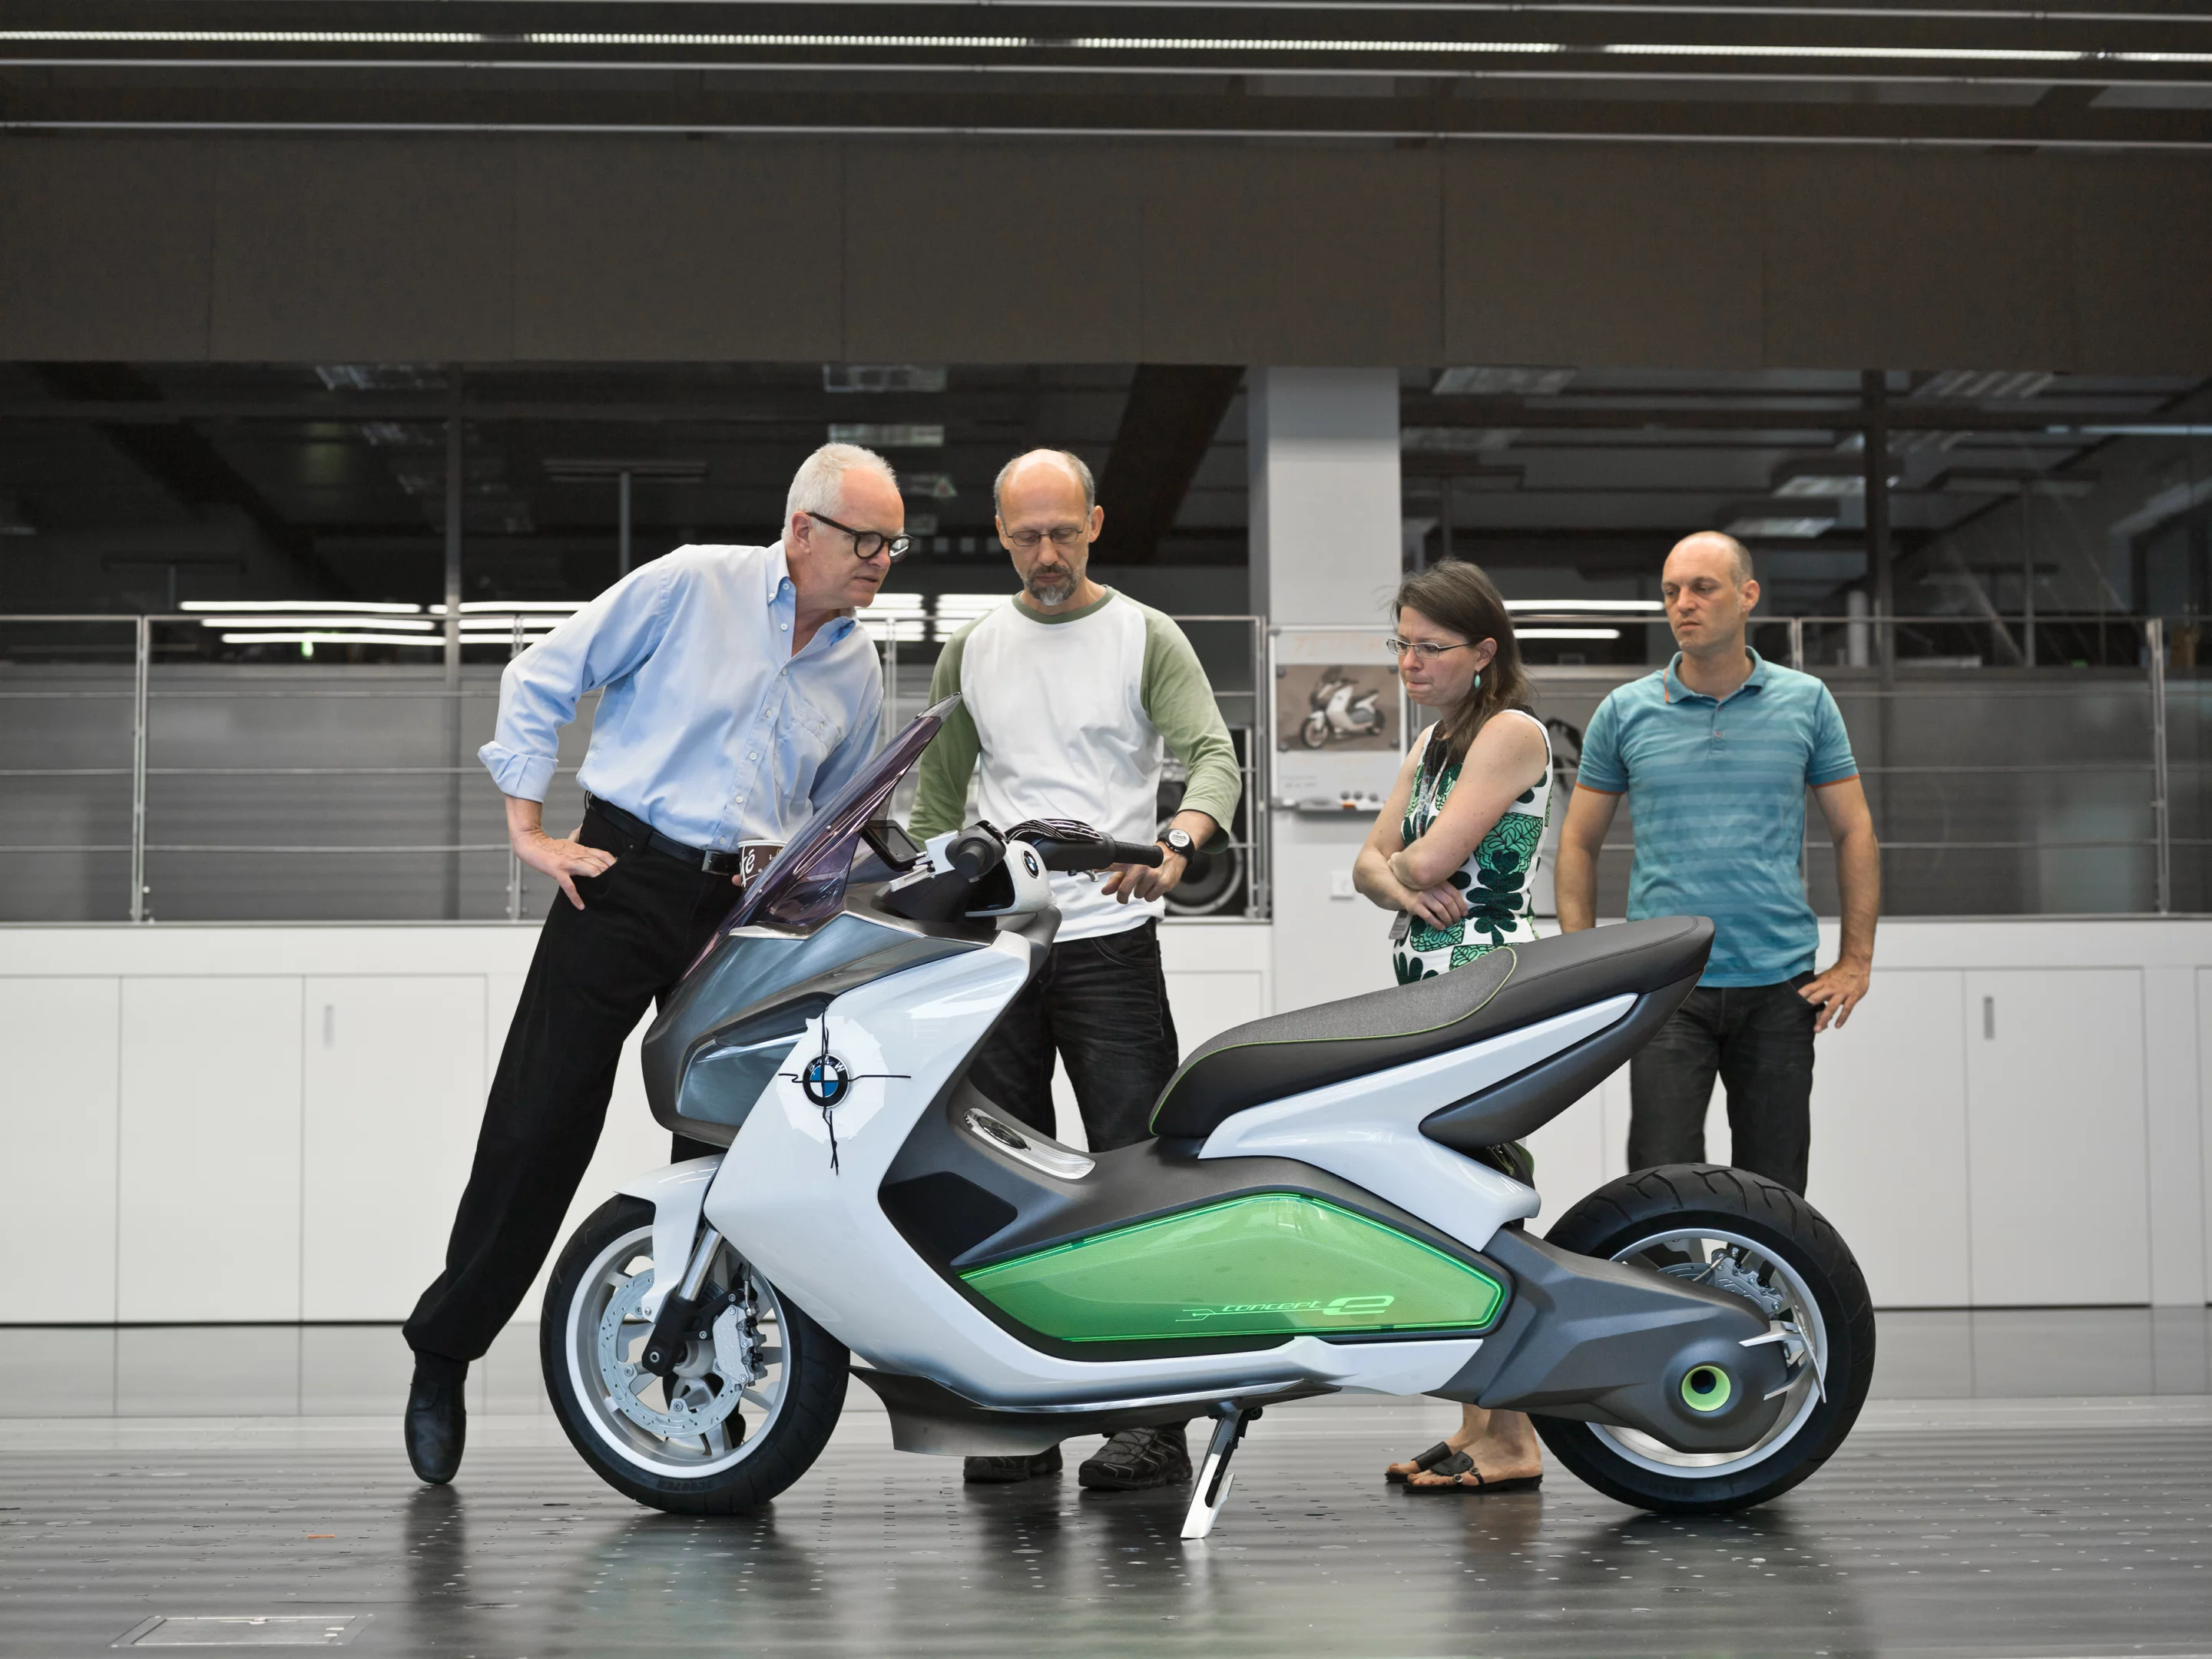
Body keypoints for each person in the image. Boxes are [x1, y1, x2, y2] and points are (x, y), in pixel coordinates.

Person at [400, 442, 906, 1485]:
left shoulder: (857, 664)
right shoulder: (691, 584)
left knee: (723, 1151)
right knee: (539, 1122)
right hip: (620, 876)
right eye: (868, 541)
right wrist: (529, 829)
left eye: (895, 544)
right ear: (803, 530)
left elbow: (846, 812)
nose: (882, 561)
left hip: (741, 911)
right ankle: (443, 1352)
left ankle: (704, 1406)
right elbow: (543, 675)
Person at [908, 448, 1241, 1492]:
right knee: (999, 1189)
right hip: (999, 953)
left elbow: (1214, 756)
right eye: (1025, 536)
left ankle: (1155, 1425)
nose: (1045, 555)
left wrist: (1180, 842)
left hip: (1110, 946)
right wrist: (924, 918)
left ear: (1096, 523)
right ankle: (1022, 1412)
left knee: (1137, 1183)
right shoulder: (973, 649)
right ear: (1000, 534)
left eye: (1062, 532)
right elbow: (934, 803)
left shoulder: (1146, 635)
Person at [1555, 531, 1879, 1197]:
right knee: (1661, 1181)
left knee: (1777, 1185)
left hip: (1780, 985)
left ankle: (1768, 1301)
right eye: (1672, 591)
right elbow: (1578, 844)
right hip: (1668, 985)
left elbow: (1855, 830)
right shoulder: (1626, 710)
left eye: (1702, 587)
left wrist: (1857, 960)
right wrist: (1584, 963)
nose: (1683, 604)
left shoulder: (1807, 701)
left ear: (1747, 596)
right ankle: (1676, 1302)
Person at [1353, 558, 1551, 1495]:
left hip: (1487, 990)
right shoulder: (1432, 746)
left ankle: (1513, 1435)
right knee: (1448, 1205)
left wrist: (1395, 869)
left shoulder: (1510, 733)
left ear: (1484, 652)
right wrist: (1394, 875)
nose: (1408, 662)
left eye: (1429, 648)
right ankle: (1480, 1423)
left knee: (1486, 1202)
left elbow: (1426, 853)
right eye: (1400, 644)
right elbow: (1367, 864)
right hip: (1435, 999)